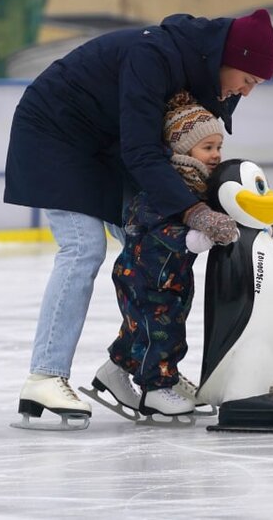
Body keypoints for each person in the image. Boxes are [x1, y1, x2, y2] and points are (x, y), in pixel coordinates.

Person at [4, 9, 273, 427]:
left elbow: (195, 164)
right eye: (249, 79)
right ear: (230, 56)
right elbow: (142, 153)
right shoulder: (155, 56)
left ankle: (126, 368)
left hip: (107, 145)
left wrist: (243, 214)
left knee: (156, 250)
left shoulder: (212, 83)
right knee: (83, 248)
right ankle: (44, 375)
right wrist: (195, 212)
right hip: (56, 134)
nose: (248, 91)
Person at [92, 92, 224, 418]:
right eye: (207, 148)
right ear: (183, 149)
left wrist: (258, 224)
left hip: (172, 277)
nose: (216, 155)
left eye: (218, 147)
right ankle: (156, 386)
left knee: (146, 329)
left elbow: (226, 209)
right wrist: (189, 239)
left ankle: (114, 370)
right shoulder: (163, 183)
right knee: (161, 331)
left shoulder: (201, 184)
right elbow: (148, 224)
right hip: (143, 274)